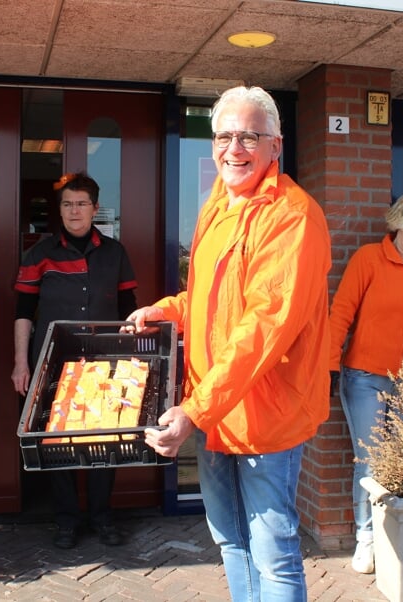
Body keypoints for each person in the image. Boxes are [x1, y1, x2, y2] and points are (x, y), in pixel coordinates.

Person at [128, 86, 332, 601]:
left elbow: (265, 325)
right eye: (223, 136)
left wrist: (196, 410)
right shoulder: (218, 205)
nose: (233, 149)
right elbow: (210, 301)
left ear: (275, 145)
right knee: (231, 543)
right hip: (217, 412)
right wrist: (165, 309)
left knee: (274, 552)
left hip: (266, 415)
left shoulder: (293, 216)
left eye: (248, 136)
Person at [11, 172, 137, 549]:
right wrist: (21, 362)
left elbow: (129, 309)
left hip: (104, 365)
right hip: (53, 364)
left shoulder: (115, 254)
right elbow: (22, 312)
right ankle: (66, 521)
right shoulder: (39, 254)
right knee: (57, 444)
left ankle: (102, 517)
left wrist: (132, 364)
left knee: (104, 442)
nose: (74, 210)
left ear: (95, 209)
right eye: (67, 204)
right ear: (60, 209)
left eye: (81, 203)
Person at [328, 190, 403, 574]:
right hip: (366, 377)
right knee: (371, 464)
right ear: (397, 222)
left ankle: (396, 539)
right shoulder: (369, 259)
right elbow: (341, 312)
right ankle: (366, 539)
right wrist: (329, 365)